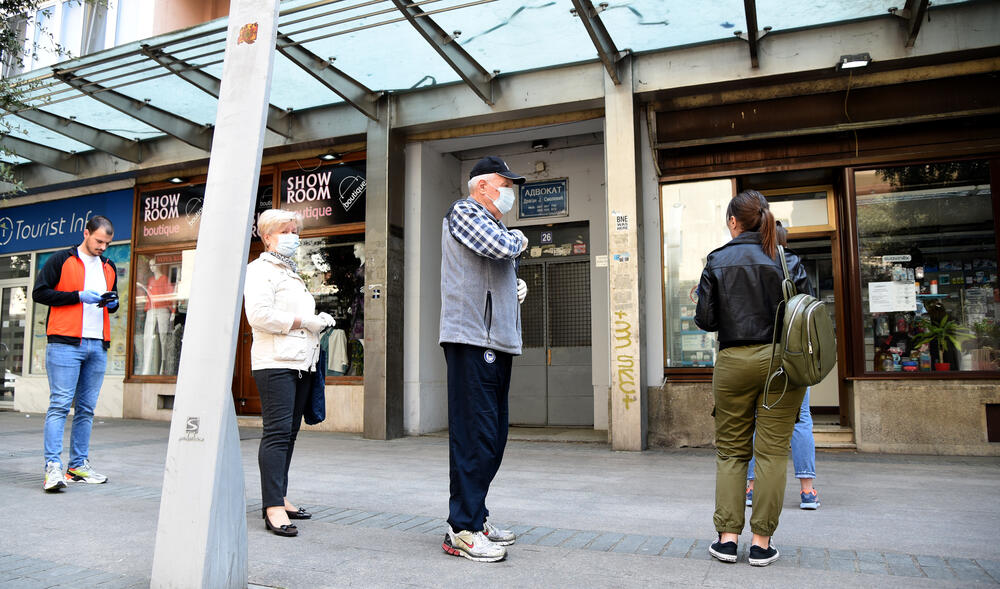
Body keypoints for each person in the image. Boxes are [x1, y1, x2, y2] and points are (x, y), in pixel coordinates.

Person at [695, 190, 813, 567]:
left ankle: (728, 539)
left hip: (733, 361)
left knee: (731, 451)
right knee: (773, 453)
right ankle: (762, 543)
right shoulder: (787, 260)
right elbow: (807, 316)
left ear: (734, 221)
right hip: (782, 362)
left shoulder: (717, 259)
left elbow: (707, 321)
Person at [439, 156, 529, 563]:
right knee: (475, 436)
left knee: (492, 438)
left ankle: (477, 516)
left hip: (495, 341)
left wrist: (514, 288)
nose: (509, 191)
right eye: (503, 183)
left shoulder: (492, 221)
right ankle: (462, 529)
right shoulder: (465, 210)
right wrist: (523, 242)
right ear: (481, 187)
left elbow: (491, 271)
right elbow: (498, 248)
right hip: (472, 340)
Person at [244, 209, 335, 537]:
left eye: (296, 230)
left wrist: (319, 321)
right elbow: (259, 315)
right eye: (286, 230)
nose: (293, 236)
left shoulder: (291, 271)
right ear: (267, 236)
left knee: (289, 433)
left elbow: (292, 313)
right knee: (277, 433)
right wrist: (304, 322)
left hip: (300, 363)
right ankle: (272, 507)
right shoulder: (259, 270)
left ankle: (279, 495)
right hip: (276, 363)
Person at [33, 215, 119, 491]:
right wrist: (77, 296)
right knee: (59, 405)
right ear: (86, 233)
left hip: (97, 344)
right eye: (98, 241)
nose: (102, 247)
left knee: (86, 409)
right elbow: (40, 293)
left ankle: (78, 466)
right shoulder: (62, 259)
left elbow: (112, 304)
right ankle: (53, 468)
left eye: (106, 243)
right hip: (64, 343)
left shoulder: (109, 266)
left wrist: (113, 302)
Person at [746, 223, 820, 511]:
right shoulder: (792, 266)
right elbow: (811, 308)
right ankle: (807, 491)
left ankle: (752, 488)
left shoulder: (751, 267)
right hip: (793, 356)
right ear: (784, 241)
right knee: (800, 420)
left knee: (756, 419)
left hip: (760, 356)